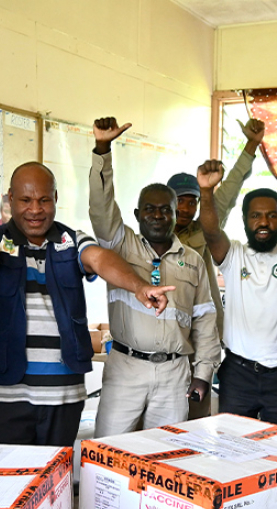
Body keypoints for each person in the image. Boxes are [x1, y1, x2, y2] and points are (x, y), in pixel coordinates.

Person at [0, 162, 173, 447]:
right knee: (7, 480)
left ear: (55, 199)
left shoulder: (71, 240)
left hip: (63, 398)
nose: (35, 209)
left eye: (44, 200)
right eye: (25, 200)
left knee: (56, 484)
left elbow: (99, 259)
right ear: (10, 199)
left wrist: (139, 286)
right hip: (5, 399)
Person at [88, 117, 220, 436]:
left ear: (176, 217)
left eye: (166, 210)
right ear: (137, 215)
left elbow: (205, 320)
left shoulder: (192, 260)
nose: (158, 215)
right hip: (126, 368)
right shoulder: (121, 245)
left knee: (166, 455)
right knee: (111, 451)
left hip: (175, 372)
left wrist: (202, 373)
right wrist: (103, 149)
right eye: (150, 209)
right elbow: (101, 208)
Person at [196, 156, 277, 428]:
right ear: (245, 219)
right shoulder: (234, 255)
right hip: (238, 373)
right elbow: (210, 232)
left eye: (271, 215)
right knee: (231, 449)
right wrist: (206, 192)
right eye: (256, 215)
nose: (264, 222)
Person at [168, 118, 265, 419]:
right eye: (179, 202)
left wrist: (250, 144)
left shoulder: (205, 229)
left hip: (201, 334)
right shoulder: (150, 237)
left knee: (197, 408)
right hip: (165, 335)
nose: (186, 209)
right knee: (165, 411)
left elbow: (232, 186)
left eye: (192, 202)